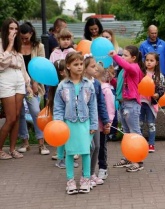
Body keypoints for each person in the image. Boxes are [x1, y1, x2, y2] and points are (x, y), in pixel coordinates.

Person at [53, 52, 98, 195]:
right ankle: (70, 180)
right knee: (70, 153)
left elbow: (93, 106)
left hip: (85, 123)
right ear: (68, 66)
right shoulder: (62, 86)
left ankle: (85, 179)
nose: (79, 67)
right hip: (68, 124)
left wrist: (93, 125)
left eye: (81, 64)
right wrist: (59, 124)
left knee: (85, 152)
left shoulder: (88, 84)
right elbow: (58, 107)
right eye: (75, 64)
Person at [109, 46, 144, 172]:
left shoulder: (134, 67)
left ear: (133, 58)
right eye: (122, 55)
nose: (123, 57)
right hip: (123, 104)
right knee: (127, 132)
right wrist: (111, 80)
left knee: (135, 132)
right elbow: (119, 86)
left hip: (131, 104)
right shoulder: (124, 71)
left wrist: (115, 56)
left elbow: (127, 66)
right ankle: (129, 156)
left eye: (125, 55)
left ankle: (138, 160)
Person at [0, 18, 31, 160]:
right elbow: (1, 62)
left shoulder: (18, 47)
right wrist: (9, 44)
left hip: (19, 77)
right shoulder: (1, 43)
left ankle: (12, 149)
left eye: (16, 29)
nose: (13, 32)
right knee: (10, 117)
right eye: (11, 29)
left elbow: (22, 67)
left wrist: (27, 83)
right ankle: (0, 149)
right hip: (5, 77)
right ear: (5, 30)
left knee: (18, 116)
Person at [17, 22, 50, 155]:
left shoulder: (38, 46)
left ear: (31, 34)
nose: (24, 40)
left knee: (36, 111)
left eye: (26, 37)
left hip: (33, 83)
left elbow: (40, 65)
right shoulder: (16, 46)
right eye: (22, 38)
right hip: (19, 82)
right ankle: (25, 141)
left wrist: (35, 82)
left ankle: (41, 143)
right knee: (20, 113)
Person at [83, 55, 111, 187]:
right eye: (92, 66)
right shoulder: (81, 83)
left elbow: (101, 104)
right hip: (84, 121)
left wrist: (106, 120)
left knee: (97, 146)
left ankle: (91, 173)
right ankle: (86, 174)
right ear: (84, 68)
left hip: (95, 120)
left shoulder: (96, 83)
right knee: (90, 147)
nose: (96, 69)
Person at [47, 60, 79, 168]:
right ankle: (61, 159)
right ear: (61, 72)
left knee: (68, 138)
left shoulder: (65, 84)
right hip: (63, 117)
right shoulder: (61, 86)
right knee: (63, 139)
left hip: (68, 116)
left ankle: (65, 158)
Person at [140, 52, 165, 153]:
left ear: (156, 62)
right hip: (141, 101)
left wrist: (157, 95)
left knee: (151, 124)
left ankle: (151, 144)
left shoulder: (159, 76)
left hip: (151, 103)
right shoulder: (141, 73)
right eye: (147, 60)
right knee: (140, 124)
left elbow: (162, 88)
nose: (149, 63)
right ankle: (141, 143)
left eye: (151, 60)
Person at [96, 64, 115, 180]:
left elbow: (110, 108)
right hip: (91, 124)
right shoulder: (88, 86)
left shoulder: (105, 90)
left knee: (101, 147)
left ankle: (103, 168)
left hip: (102, 125)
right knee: (93, 148)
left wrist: (108, 123)